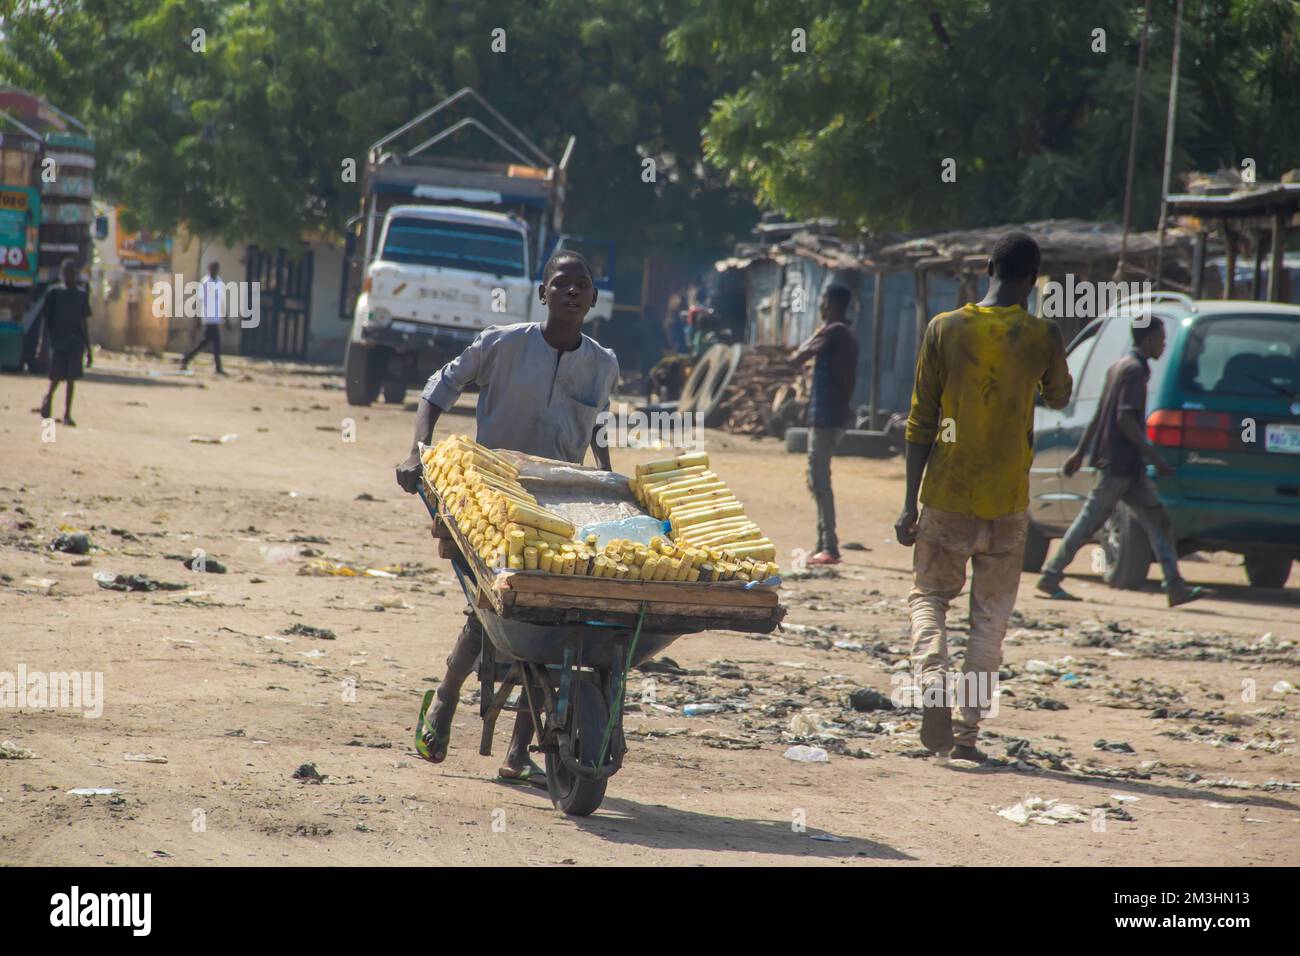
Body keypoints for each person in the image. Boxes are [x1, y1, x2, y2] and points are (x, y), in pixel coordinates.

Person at [394, 251, 618, 786]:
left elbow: (601, 427)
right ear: (542, 294)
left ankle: (521, 749)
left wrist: (612, 483)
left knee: (555, 618)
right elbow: (437, 388)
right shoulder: (501, 343)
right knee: (494, 606)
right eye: (560, 284)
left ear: (592, 299)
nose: (570, 292)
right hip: (490, 501)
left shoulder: (602, 363)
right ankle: (445, 704)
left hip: (560, 505)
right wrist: (417, 452)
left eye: (580, 285)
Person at [895, 233, 1072, 763]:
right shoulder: (1042, 334)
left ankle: (931, 682)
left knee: (929, 598)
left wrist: (909, 502)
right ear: (1034, 278)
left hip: (947, 495)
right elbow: (1059, 395)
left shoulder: (944, 328)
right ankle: (967, 737)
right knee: (990, 620)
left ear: (987, 266)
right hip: (1007, 506)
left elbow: (920, 419)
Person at [1036, 316, 1205, 606]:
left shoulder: (1118, 367)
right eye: (1161, 338)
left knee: (1158, 521)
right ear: (1149, 338)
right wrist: (1156, 457)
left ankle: (1174, 585)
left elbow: (1099, 414)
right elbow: (1123, 418)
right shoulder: (1134, 371)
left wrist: (1080, 453)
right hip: (1119, 466)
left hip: (1127, 469)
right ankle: (1051, 575)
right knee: (1089, 522)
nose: (1164, 344)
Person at [791, 284, 858, 566]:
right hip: (833, 416)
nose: (819, 307)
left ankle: (829, 546)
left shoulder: (833, 332)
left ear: (829, 303)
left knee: (819, 480)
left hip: (826, 417)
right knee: (817, 480)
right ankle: (823, 543)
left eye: (822, 302)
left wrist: (822, 327)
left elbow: (797, 356)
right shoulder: (846, 334)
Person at [38, 259, 93, 427]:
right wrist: (42, 344)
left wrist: (89, 350)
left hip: (76, 342)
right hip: (58, 341)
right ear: (62, 274)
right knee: (56, 376)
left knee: (71, 378)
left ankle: (67, 414)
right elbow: (46, 320)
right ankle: (48, 398)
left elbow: (84, 323)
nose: (70, 275)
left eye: (73, 272)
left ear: (76, 274)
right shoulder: (54, 293)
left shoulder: (82, 295)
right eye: (67, 272)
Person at [180, 261, 227, 374]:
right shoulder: (205, 282)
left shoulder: (219, 281)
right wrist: (197, 317)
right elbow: (199, 300)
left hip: (215, 317)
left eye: (217, 268)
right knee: (212, 342)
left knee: (208, 342)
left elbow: (221, 301)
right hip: (208, 316)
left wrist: (226, 316)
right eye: (213, 268)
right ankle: (187, 359)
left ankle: (187, 359)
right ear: (209, 269)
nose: (215, 270)